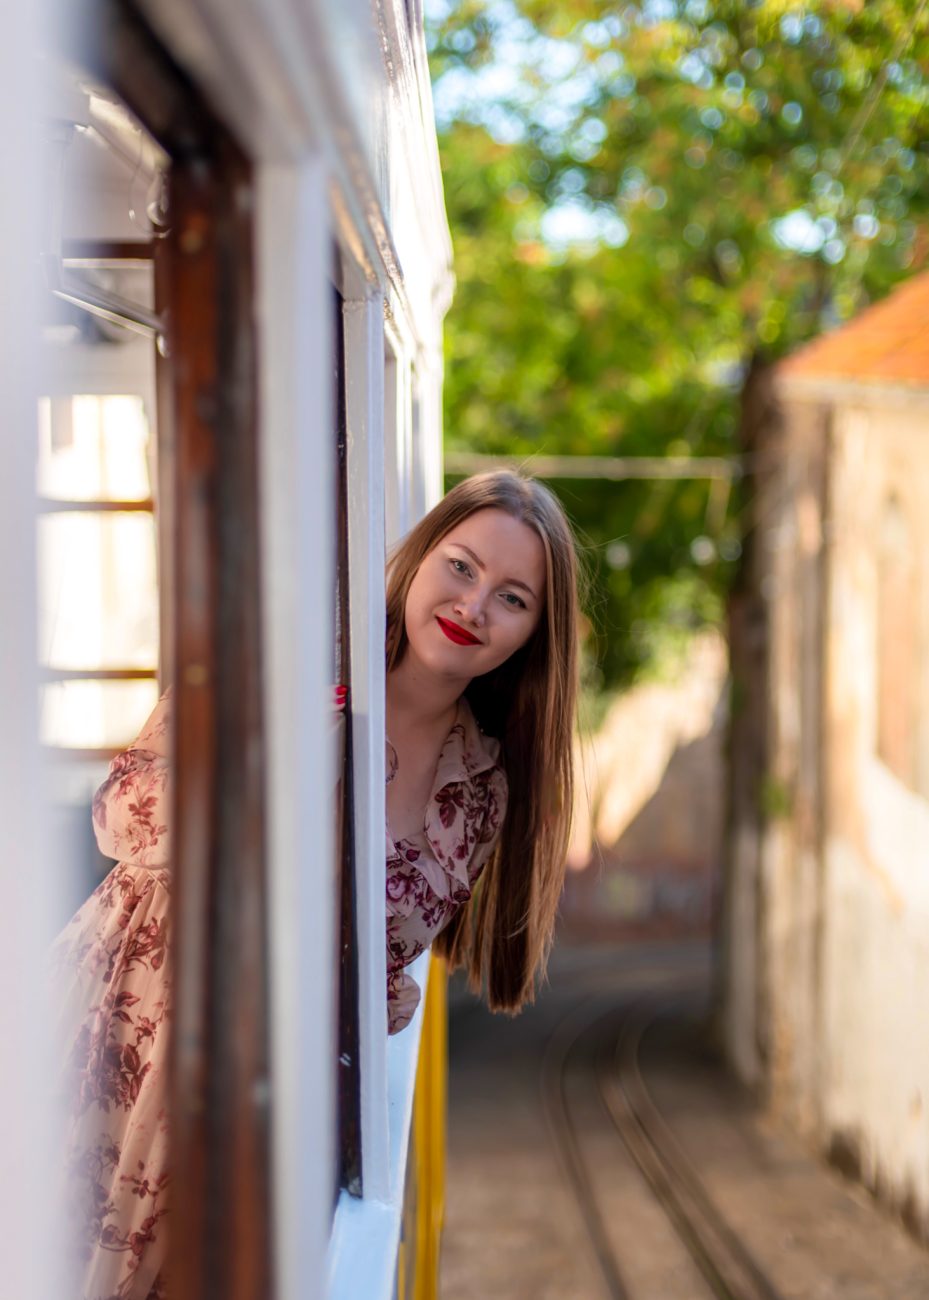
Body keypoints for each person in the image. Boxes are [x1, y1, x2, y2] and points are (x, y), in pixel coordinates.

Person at [53, 469, 580, 1297]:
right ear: (419, 557)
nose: (473, 606)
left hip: (268, 1101)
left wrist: (371, 982)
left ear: (534, 635)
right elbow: (119, 812)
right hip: (124, 1032)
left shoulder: (481, 788)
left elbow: (383, 956)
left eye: (512, 599)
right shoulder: (287, 656)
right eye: (461, 566)